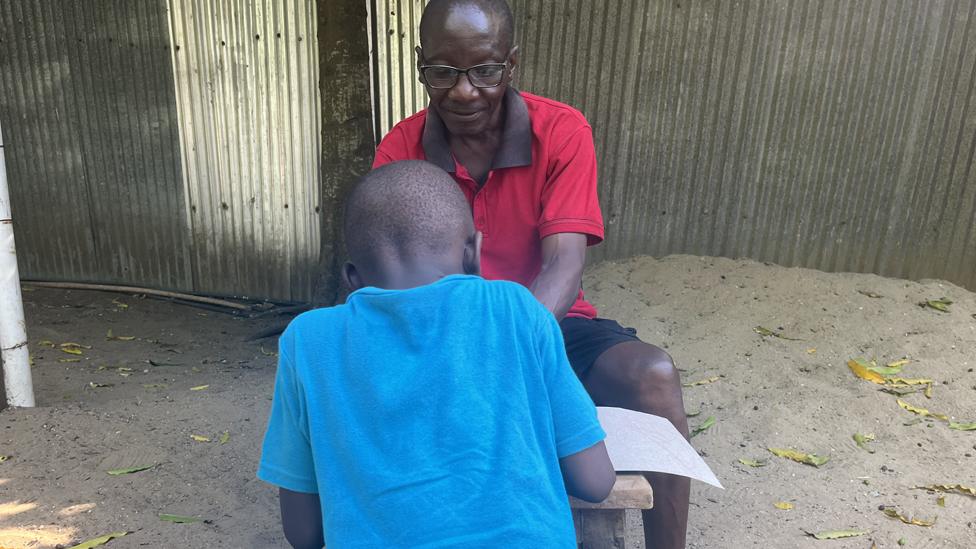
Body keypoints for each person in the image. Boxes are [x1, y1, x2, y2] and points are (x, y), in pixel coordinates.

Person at [371, 1, 691, 547]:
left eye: (485, 70)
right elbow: (395, 288)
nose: (464, 91)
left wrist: (504, 355)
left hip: (549, 324)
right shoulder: (400, 150)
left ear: (511, 64)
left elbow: (564, 264)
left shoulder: (561, 131)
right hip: (443, 338)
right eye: (443, 72)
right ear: (420, 64)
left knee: (653, 376)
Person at [257, 160, 615, 548]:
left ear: (352, 278)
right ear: (473, 254)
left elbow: (304, 534)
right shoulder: (516, 309)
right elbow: (595, 482)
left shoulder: (307, 341)